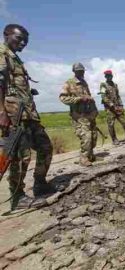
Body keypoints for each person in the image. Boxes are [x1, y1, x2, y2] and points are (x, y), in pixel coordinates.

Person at [0, 24, 54, 210]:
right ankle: (17, 197)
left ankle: (39, 183)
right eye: (19, 39)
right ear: (6, 35)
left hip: (28, 114)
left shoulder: (16, 59)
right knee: (20, 157)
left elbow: (12, 86)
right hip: (14, 117)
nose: (23, 43)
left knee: (45, 147)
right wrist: (2, 113)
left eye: (26, 41)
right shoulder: (2, 54)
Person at [60, 62, 99, 167]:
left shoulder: (84, 83)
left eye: (82, 71)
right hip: (79, 116)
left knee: (94, 137)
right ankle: (84, 158)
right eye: (79, 71)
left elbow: (89, 97)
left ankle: (90, 155)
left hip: (89, 115)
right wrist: (79, 99)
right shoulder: (69, 83)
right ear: (74, 71)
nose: (81, 73)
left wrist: (94, 110)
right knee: (86, 137)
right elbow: (63, 98)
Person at [99, 70, 125, 145]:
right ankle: (114, 140)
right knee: (111, 124)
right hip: (109, 109)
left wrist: (121, 105)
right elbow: (103, 96)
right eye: (107, 76)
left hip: (118, 107)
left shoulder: (115, 85)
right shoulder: (103, 85)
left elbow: (118, 96)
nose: (108, 77)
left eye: (110, 75)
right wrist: (111, 104)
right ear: (105, 77)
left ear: (112, 76)